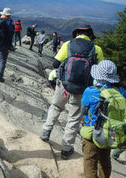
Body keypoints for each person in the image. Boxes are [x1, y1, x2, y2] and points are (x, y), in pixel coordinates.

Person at [40, 24, 104, 160]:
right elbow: (99, 72)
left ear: (77, 33)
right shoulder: (96, 49)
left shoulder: (68, 44)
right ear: (91, 35)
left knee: (56, 107)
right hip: (82, 89)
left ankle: (46, 131)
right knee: (74, 118)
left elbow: (55, 64)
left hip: (64, 84)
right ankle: (66, 149)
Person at [81, 60, 126, 178]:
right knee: (105, 161)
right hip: (110, 133)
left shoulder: (90, 91)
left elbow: (83, 111)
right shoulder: (121, 92)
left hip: (92, 132)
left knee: (90, 161)